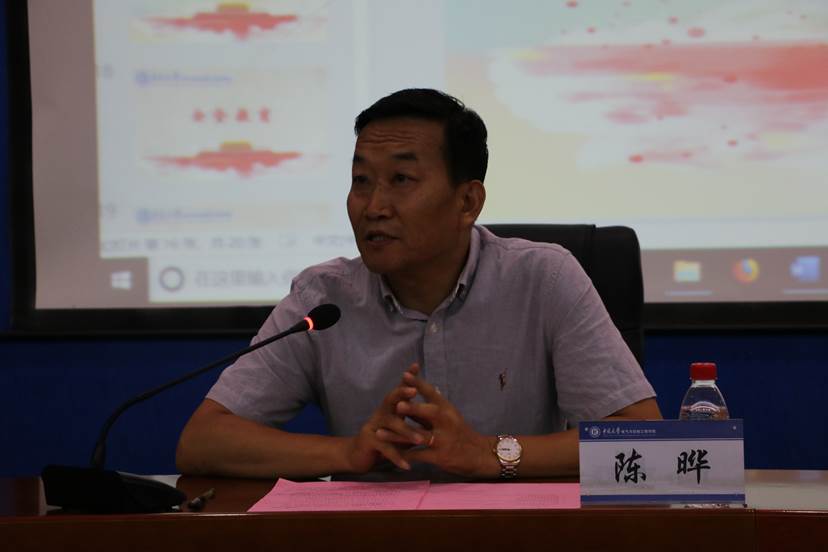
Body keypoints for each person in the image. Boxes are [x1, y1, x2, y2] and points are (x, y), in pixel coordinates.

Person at [176, 88, 661, 481]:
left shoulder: (544, 280)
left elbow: (643, 439)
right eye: (361, 180)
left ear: (468, 202)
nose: (373, 207)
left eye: (401, 179)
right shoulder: (323, 298)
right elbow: (203, 441)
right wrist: (348, 453)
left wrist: (488, 453)